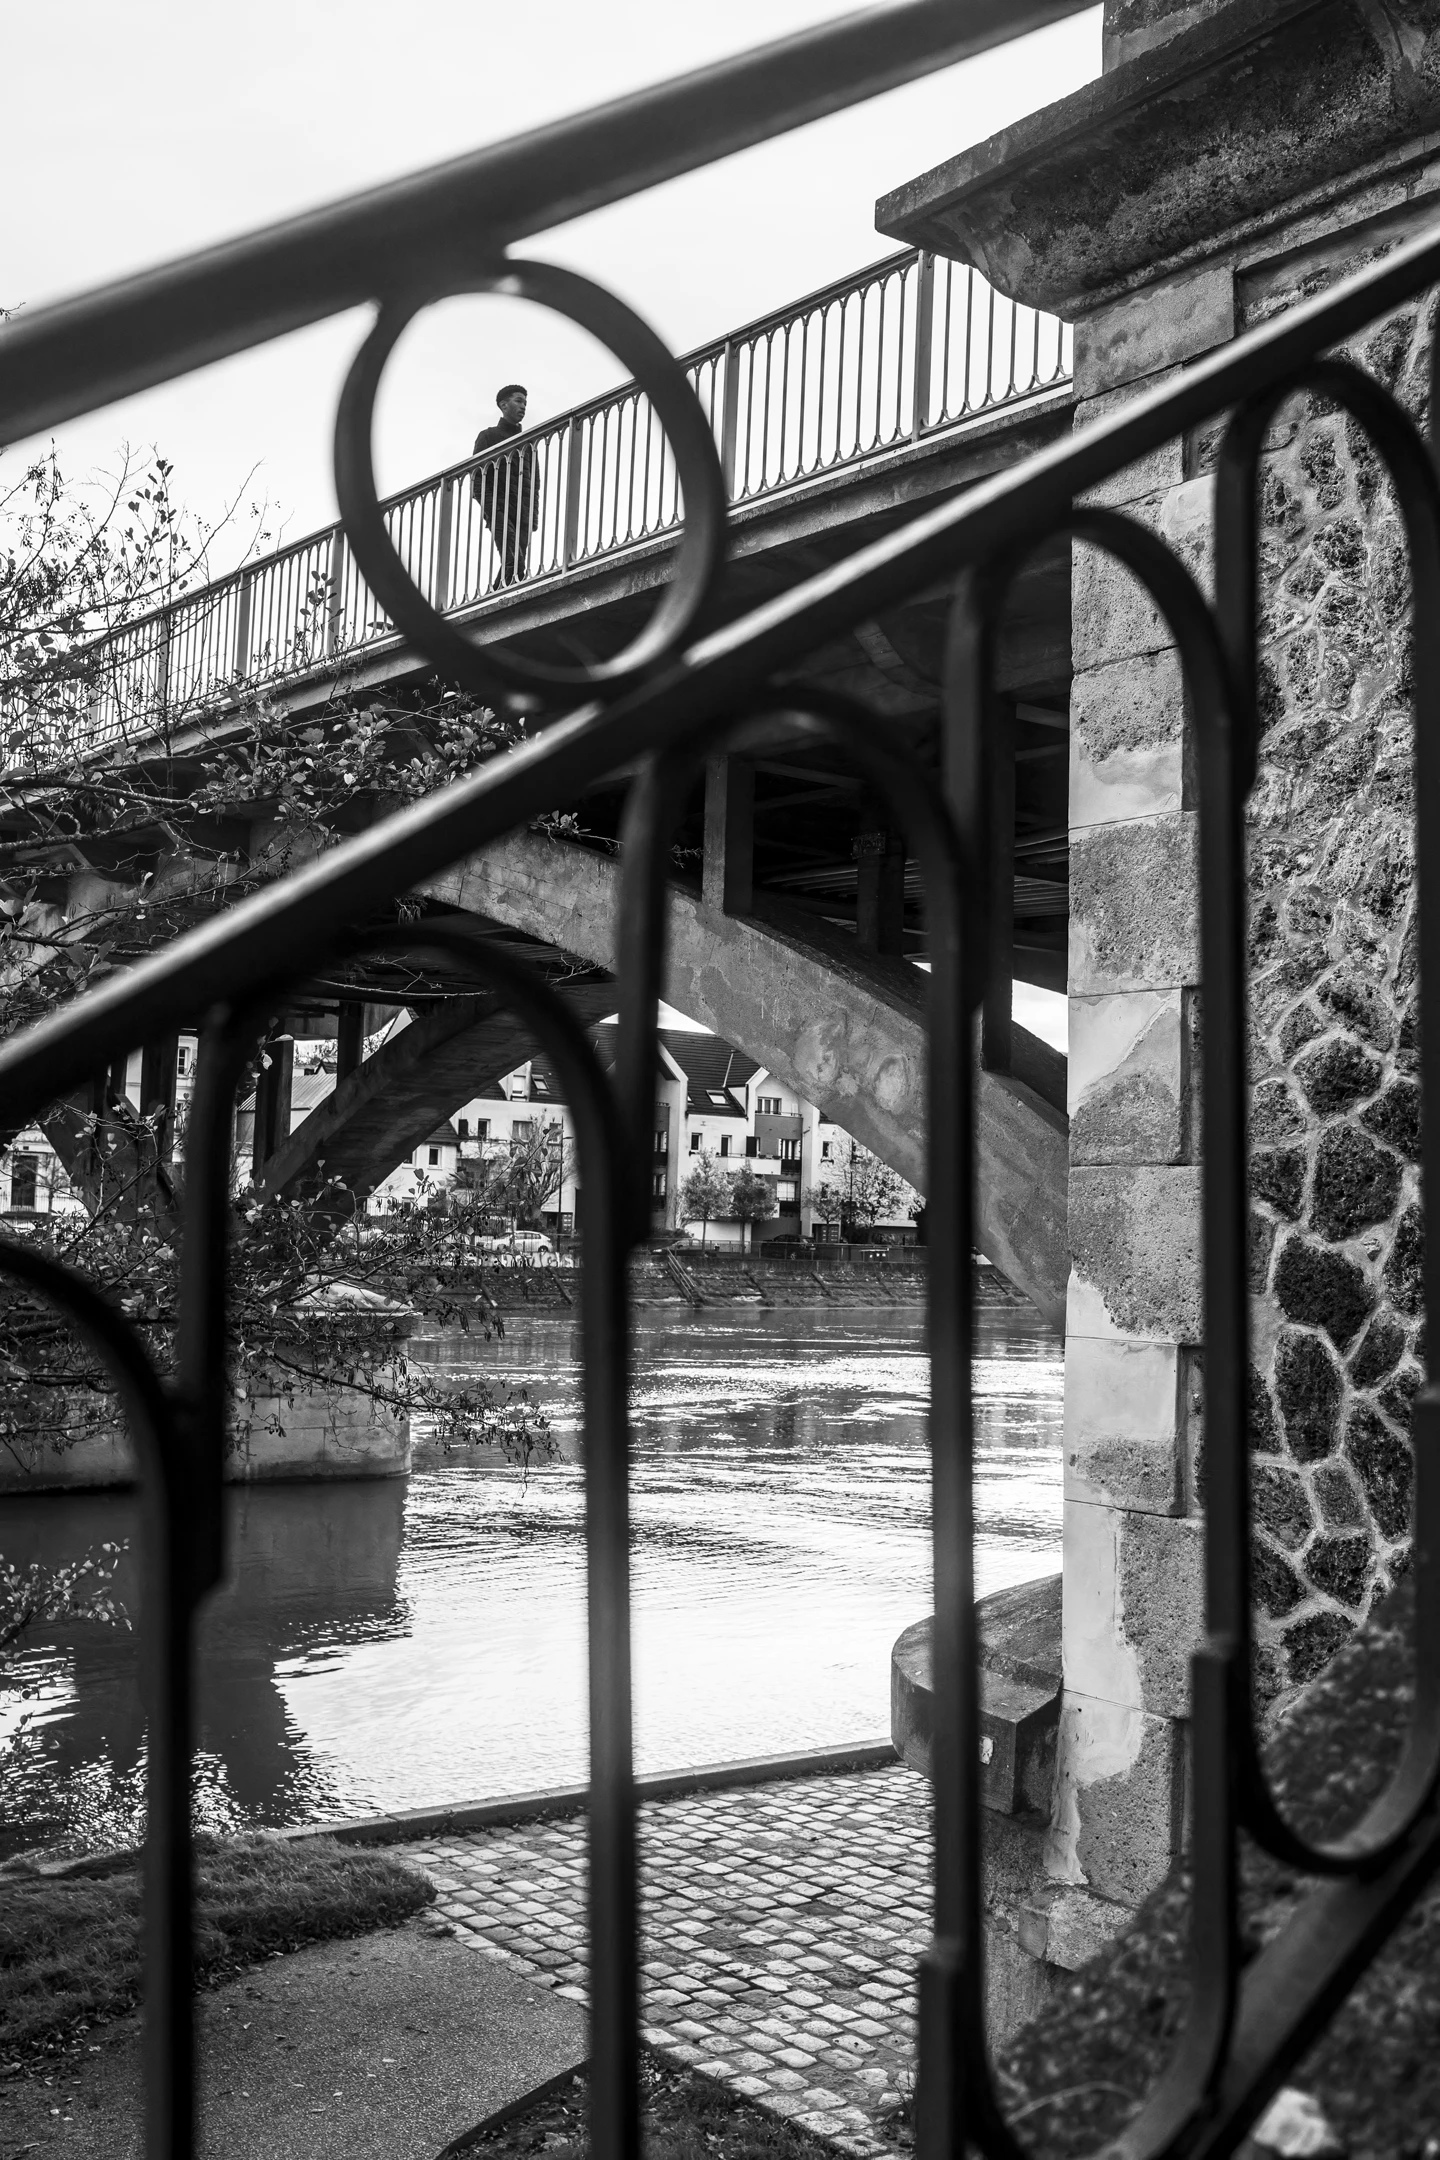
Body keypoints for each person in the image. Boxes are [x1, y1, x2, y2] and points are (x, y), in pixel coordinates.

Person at [472, 383, 537, 589]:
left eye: (525, 403)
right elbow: (477, 479)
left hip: (523, 515)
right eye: (519, 401)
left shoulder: (528, 443)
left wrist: (533, 517)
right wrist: (492, 509)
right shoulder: (488, 436)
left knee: (515, 566)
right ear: (503, 405)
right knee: (514, 562)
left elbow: (535, 483)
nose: (523, 406)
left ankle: (494, 597)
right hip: (499, 509)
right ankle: (498, 599)